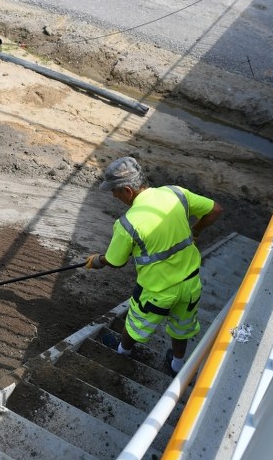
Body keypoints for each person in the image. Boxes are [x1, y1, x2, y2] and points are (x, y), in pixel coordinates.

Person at [85, 156, 223, 375]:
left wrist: (97, 261)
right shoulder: (175, 193)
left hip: (156, 291)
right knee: (182, 326)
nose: (113, 195)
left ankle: (123, 351)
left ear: (128, 191)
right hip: (190, 283)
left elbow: (115, 261)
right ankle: (177, 364)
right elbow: (215, 209)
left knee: (136, 323)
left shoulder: (128, 223)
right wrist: (195, 230)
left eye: (114, 191)